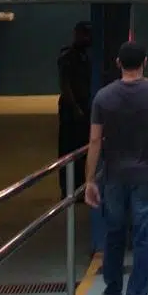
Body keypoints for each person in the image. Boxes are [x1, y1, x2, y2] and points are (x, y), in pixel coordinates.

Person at [84, 40, 148, 295]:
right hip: (147, 176)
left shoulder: (103, 97)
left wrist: (89, 180)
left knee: (114, 235)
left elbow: (95, 140)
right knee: (143, 238)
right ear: (145, 62)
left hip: (114, 176)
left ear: (118, 63)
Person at [56, 22, 92, 198]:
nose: (86, 38)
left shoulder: (88, 56)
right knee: (68, 149)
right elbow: (65, 85)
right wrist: (75, 108)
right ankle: (67, 189)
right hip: (71, 111)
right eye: (83, 34)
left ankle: (80, 186)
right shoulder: (68, 57)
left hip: (85, 107)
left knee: (83, 149)